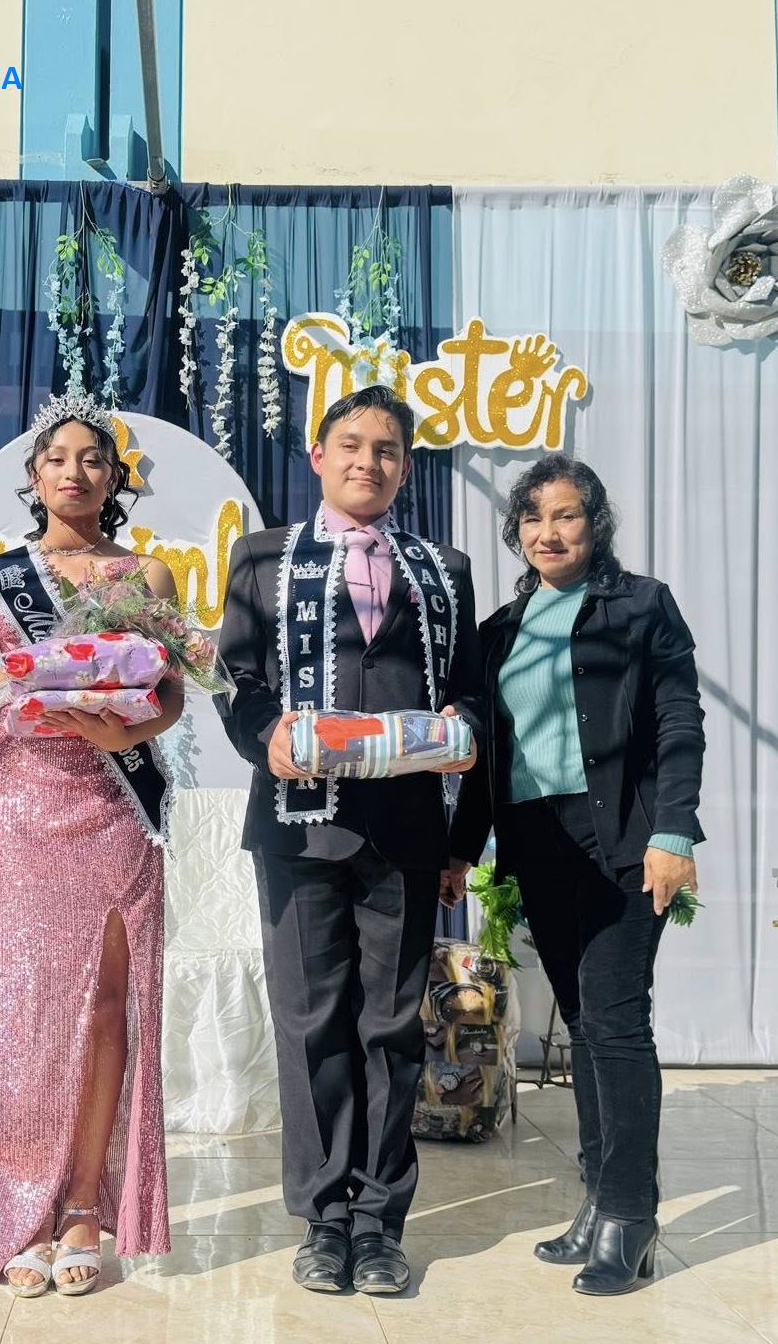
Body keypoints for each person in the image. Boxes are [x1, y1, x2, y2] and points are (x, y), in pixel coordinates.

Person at [216, 384, 484, 1296]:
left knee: (392, 1024)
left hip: (406, 829)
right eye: (352, 444)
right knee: (309, 1021)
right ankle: (323, 1217)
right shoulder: (263, 557)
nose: (368, 461)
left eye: (387, 449)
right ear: (318, 455)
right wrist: (266, 733)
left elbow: (470, 688)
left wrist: (462, 731)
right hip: (299, 827)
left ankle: (380, 1222)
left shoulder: (443, 568)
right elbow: (238, 681)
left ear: (405, 468)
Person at [0, 391, 183, 1297]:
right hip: (23, 806)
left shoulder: (147, 575)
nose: (75, 472)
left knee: (110, 1004)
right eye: (57, 458)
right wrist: (26, 678)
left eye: (92, 459)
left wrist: (124, 726)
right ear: (34, 476)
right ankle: (23, 1208)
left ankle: (82, 1202)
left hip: (115, 801)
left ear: (114, 477)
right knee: (27, 1011)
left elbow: (169, 695)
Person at [448, 452, 705, 1296]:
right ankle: (600, 1198)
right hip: (536, 843)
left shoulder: (640, 605)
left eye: (565, 515)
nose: (547, 532)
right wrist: (461, 847)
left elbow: (678, 721)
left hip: (624, 839)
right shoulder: (500, 629)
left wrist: (672, 828)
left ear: (595, 524)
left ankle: (630, 1215)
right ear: (516, 531)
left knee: (617, 1020)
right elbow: (489, 756)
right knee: (585, 1023)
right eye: (532, 517)